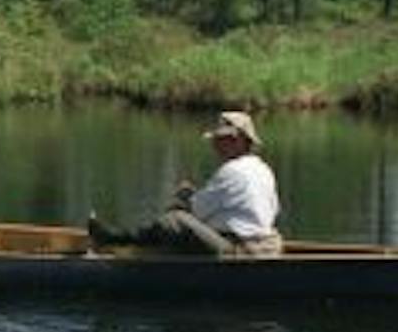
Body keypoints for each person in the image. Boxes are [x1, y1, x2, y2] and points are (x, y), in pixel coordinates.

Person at [89, 110, 282, 257]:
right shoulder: (264, 169)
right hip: (267, 246)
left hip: (241, 250)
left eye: (223, 139)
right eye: (217, 139)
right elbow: (271, 212)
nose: (215, 144)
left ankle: (116, 240)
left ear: (239, 141)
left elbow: (196, 212)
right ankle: (127, 241)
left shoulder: (232, 170)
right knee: (177, 226)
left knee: (174, 220)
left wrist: (184, 197)